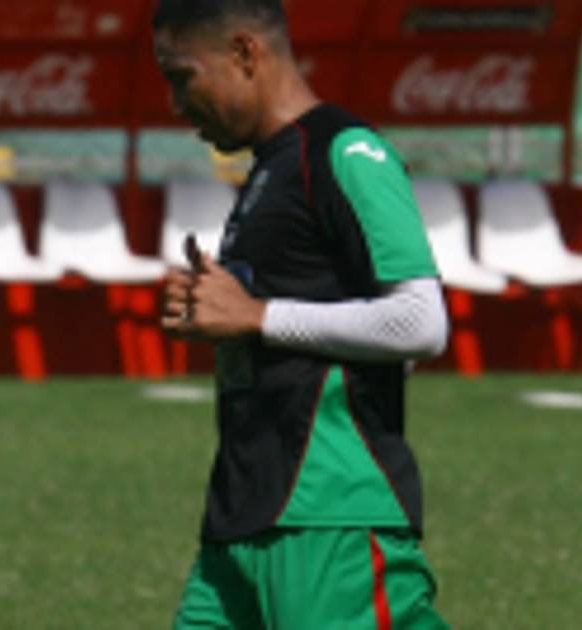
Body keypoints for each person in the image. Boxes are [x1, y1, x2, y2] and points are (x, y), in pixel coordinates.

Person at [153, 1, 452, 628]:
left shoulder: (347, 152)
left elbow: (422, 321)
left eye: (183, 77)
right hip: (244, 513)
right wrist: (217, 309)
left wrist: (258, 316)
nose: (176, 104)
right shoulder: (272, 170)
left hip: (327, 511)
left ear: (244, 52)